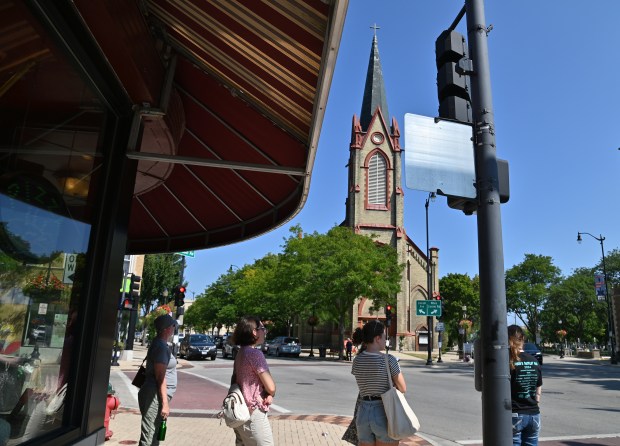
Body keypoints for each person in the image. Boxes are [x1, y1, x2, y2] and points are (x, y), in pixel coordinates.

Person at [351, 320, 406, 446]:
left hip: (363, 412)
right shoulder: (389, 360)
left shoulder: (357, 360)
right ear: (377, 338)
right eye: (384, 337)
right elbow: (403, 388)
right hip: (383, 412)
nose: (385, 340)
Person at [231, 316, 276, 446]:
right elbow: (271, 387)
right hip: (253, 413)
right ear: (254, 332)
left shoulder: (241, 353)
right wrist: (270, 393)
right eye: (262, 328)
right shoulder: (255, 354)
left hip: (240, 412)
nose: (265, 331)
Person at [138, 314, 178, 446]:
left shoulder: (159, 344)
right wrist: (165, 404)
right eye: (173, 326)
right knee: (149, 436)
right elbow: (160, 377)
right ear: (167, 329)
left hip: (154, 394)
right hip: (154, 395)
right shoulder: (161, 347)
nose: (174, 328)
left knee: (154, 434)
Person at [508, 325, 542, 446]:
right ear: (523, 338)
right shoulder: (534, 360)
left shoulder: (508, 361)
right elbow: (538, 388)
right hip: (534, 414)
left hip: (515, 413)